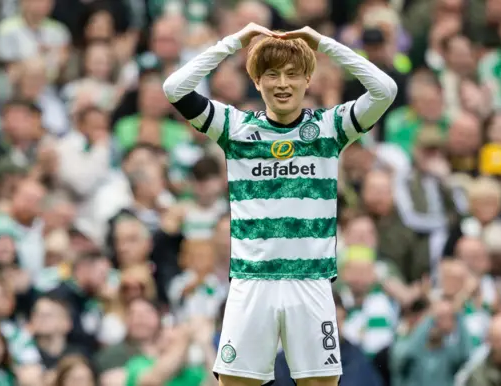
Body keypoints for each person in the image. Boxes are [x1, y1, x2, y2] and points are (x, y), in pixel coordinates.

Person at [163, 22, 398, 386]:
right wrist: (234, 43)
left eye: (293, 74)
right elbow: (174, 88)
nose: (283, 83)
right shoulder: (236, 128)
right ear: (257, 82)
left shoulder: (329, 128)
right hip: (252, 280)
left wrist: (322, 43)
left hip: (311, 280)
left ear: (308, 80)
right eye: (271, 74)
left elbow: (385, 90)